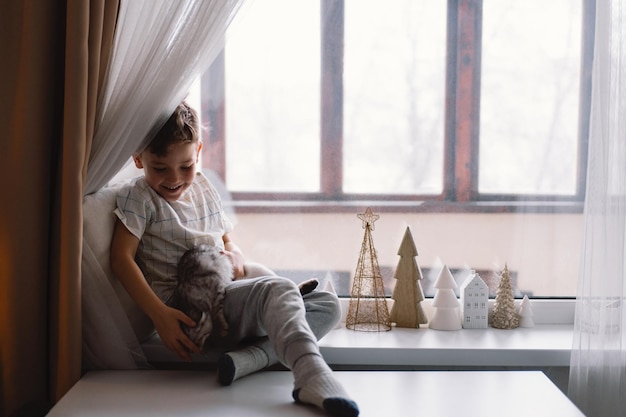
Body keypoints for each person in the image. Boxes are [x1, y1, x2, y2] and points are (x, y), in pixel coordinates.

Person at [110, 101, 359, 417]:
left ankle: (249, 359)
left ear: (198, 151)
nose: (174, 178)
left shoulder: (203, 187)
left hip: (227, 291)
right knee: (279, 290)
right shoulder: (138, 197)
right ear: (138, 158)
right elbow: (121, 259)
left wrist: (236, 253)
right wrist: (160, 315)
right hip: (194, 311)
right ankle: (312, 376)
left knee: (327, 304)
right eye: (160, 168)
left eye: (185, 166)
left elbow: (225, 238)